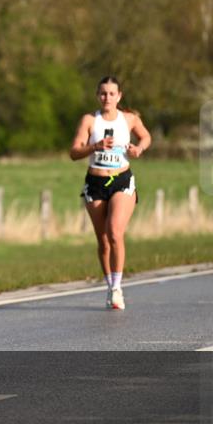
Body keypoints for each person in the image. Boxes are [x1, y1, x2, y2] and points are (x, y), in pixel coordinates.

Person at [69, 76, 151, 310]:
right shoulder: (89, 120)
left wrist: (139, 149)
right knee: (103, 241)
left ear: (119, 96)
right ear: (98, 96)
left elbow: (146, 137)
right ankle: (109, 285)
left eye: (112, 93)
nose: (107, 97)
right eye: (103, 93)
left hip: (121, 181)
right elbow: (74, 152)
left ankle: (117, 289)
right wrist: (95, 146)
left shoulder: (129, 119)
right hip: (95, 183)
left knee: (114, 232)